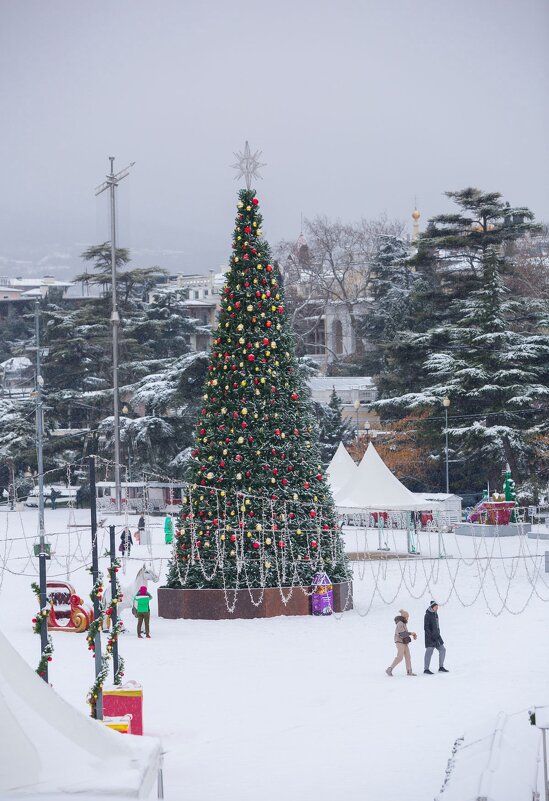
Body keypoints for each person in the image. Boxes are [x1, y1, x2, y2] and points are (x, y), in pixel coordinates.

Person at [386, 608, 417, 677]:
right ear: (404, 616)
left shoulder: (403, 623)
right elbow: (402, 634)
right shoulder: (400, 623)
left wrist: (412, 635)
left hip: (404, 642)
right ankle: (389, 669)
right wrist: (411, 633)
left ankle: (409, 671)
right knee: (400, 657)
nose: (408, 618)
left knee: (408, 656)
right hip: (400, 642)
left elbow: (404, 634)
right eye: (407, 617)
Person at [424, 600, 448, 674]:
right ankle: (426, 669)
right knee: (429, 652)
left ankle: (441, 667)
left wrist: (438, 634)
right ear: (432, 607)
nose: (437, 608)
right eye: (436, 606)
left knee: (443, 650)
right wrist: (431, 636)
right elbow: (426, 627)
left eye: (437, 606)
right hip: (430, 638)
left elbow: (437, 626)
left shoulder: (435, 614)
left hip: (437, 637)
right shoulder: (427, 615)